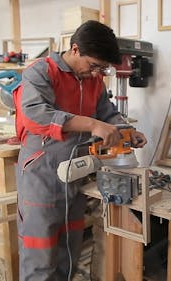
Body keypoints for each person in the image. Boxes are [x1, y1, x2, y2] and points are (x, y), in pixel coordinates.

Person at [13, 20, 147, 281]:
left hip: (76, 172)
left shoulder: (95, 80)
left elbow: (108, 113)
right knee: (40, 250)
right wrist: (92, 124)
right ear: (75, 50)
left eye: (102, 68)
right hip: (42, 173)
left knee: (69, 246)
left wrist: (127, 131)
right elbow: (36, 116)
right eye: (94, 65)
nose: (97, 73)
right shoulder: (41, 72)